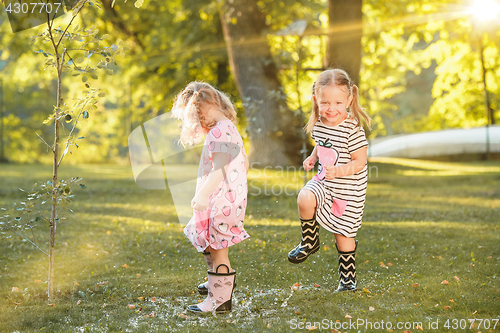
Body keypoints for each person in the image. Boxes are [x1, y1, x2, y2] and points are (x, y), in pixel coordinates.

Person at [288, 69, 371, 292]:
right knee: (305, 197)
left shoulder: (352, 129)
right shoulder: (319, 123)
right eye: (325, 102)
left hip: (348, 189)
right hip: (326, 180)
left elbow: (360, 161)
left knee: (343, 234)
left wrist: (341, 171)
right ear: (315, 100)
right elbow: (323, 144)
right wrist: (313, 157)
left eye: (337, 102)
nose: (330, 108)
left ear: (349, 100)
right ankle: (309, 241)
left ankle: (347, 278)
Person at [171, 81, 250, 313]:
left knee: (218, 248)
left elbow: (221, 167)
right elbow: (243, 163)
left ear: (199, 111)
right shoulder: (229, 127)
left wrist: (205, 194)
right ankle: (216, 281)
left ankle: (219, 299)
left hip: (220, 199)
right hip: (229, 197)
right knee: (208, 238)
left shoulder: (218, 131)